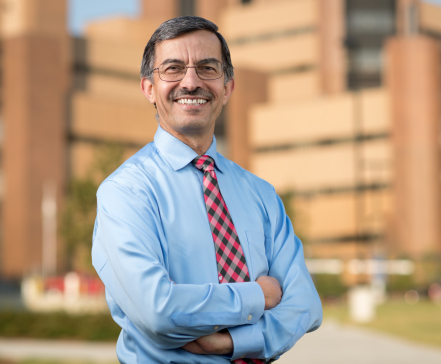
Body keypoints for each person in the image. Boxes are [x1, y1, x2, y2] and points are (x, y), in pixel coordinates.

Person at [92, 16, 322, 363]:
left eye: (207, 67)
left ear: (227, 87)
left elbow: (305, 305)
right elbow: (158, 311)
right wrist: (257, 296)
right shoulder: (124, 193)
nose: (191, 81)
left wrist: (233, 342)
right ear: (149, 88)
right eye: (172, 68)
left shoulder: (260, 194)